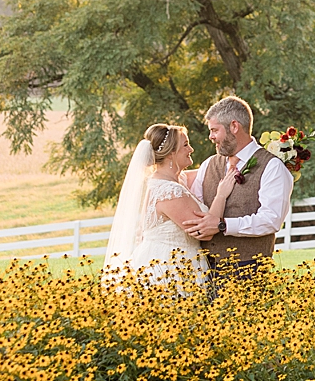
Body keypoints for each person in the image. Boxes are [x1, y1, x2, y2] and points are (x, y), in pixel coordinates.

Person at [102, 124, 236, 291]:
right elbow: (204, 231)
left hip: (175, 262)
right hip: (170, 270)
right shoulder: (169, 192)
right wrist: (221, 195)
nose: (191, 149)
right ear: (171, 153)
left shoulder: (173, 179)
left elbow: (205, 171)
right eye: (185, 145)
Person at [183, 95, 293, 280]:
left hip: (250, 269)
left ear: (234, 126)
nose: (210, 137)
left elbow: (271, 219)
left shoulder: (272, 167)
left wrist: (223, 225)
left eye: (214, 130)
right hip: (206, 268)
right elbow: (197, 210)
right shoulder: (209, 164)